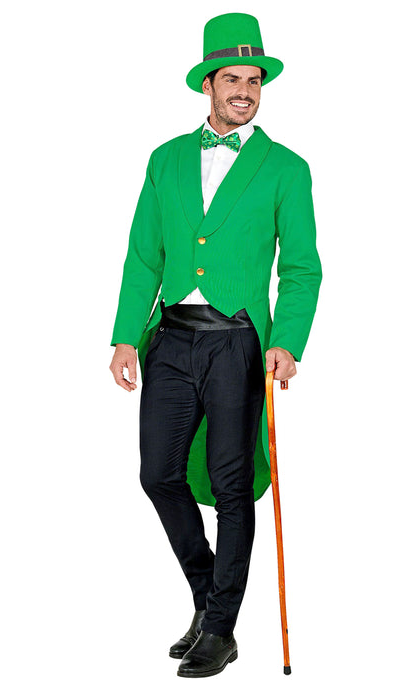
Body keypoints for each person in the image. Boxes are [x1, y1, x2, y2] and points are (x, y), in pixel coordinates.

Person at [109, 12, 322, 678]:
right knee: (158, 474)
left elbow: (301, 268)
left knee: (232, 485)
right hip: (170, 340)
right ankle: (207, 598)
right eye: (232, 79)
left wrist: (287, 341)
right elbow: (143, 256)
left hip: (237, 344)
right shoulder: (166, 159)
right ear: (208, 83)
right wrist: (124, 335)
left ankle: (221, 628)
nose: (244, 91)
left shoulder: (286, 168)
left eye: (254, 80)